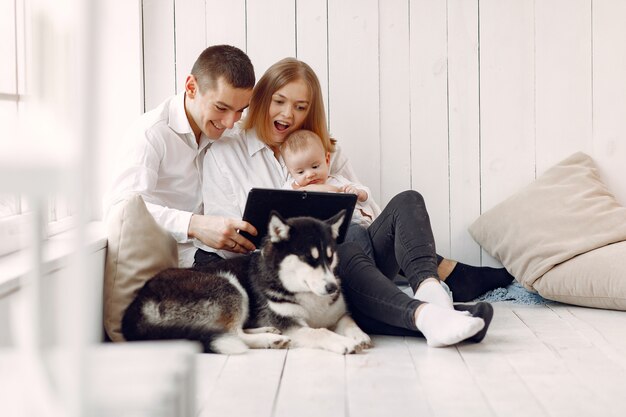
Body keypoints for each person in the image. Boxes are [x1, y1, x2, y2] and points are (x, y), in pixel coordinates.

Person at [197, 57, 514, 346]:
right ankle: (429, 317)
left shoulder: (323, 150)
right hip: (304, 276)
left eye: (300, 106)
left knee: (407, 201)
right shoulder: (227, 152)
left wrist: (348, 199)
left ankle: (432, 292)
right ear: (262, 99)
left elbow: (368, 212)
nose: (287, 114)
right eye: (279, 102)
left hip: (354, 260)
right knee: (338, 244)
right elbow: (230, 241)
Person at [105, 45, 259, 267]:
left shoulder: (231, 133)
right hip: (169, 267)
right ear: (191, 87)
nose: (229, 122)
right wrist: (194, 225)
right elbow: (120, 211)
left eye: (240, 110)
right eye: (221, 107)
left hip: (219, 258)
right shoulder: (151, 133)